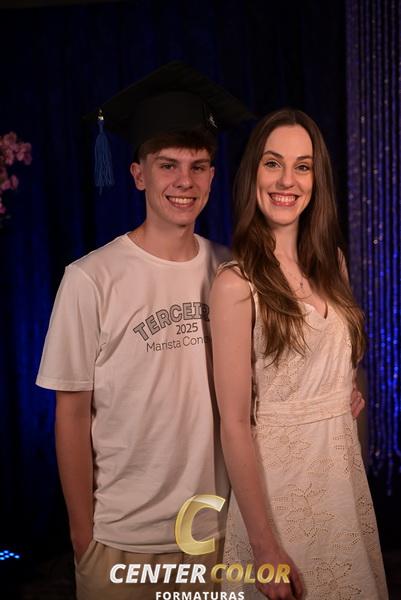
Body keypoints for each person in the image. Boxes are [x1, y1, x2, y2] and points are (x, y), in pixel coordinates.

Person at [35, 61, 253, 600]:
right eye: (167, 165)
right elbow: (71, 413)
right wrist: (84, 536)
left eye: (198, 167)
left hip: (216, 535)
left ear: (212, 175)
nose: (184, 182)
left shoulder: (231, 272)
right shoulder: (91, 278)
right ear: (138, 174)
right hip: (121, 540)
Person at [210, 108, 388, 599]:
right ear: (253, 174)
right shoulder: (236, 284)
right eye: (273, 163)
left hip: (340, 484)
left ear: (316, 179)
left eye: (302, 166)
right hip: (278, 495)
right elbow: (234, 424)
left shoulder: (332, 264)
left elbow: (335, 353)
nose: (287, 180)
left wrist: (342, 386)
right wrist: (265, 547)